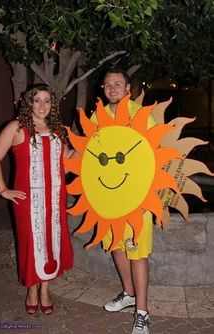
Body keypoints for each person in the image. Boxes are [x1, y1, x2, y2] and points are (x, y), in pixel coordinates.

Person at [0, 84, 74, 315]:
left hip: (55, 197)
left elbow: (64, 165)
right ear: (28, 102)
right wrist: (3, 190)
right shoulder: (16, 127)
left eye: (47, 100)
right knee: (31, 242)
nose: (42, 105)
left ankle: (45, 289)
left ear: (52, 104)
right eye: (37, 100)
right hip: (27, 200)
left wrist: (86, 148)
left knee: (51, 241)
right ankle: (31, 290)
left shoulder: (58, 130)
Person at [91, 67, 155, 334]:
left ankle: (142, 312)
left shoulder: (140, 114)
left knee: (137, 252)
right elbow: (90, 154)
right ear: (103, 89)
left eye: (118, 84)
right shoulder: (98, 115)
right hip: (108, 199)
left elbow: (155, 149)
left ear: (128, 89)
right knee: (116, 246)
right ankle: (128, 294)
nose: (112, 89)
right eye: (108, 85)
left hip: (137, 199)